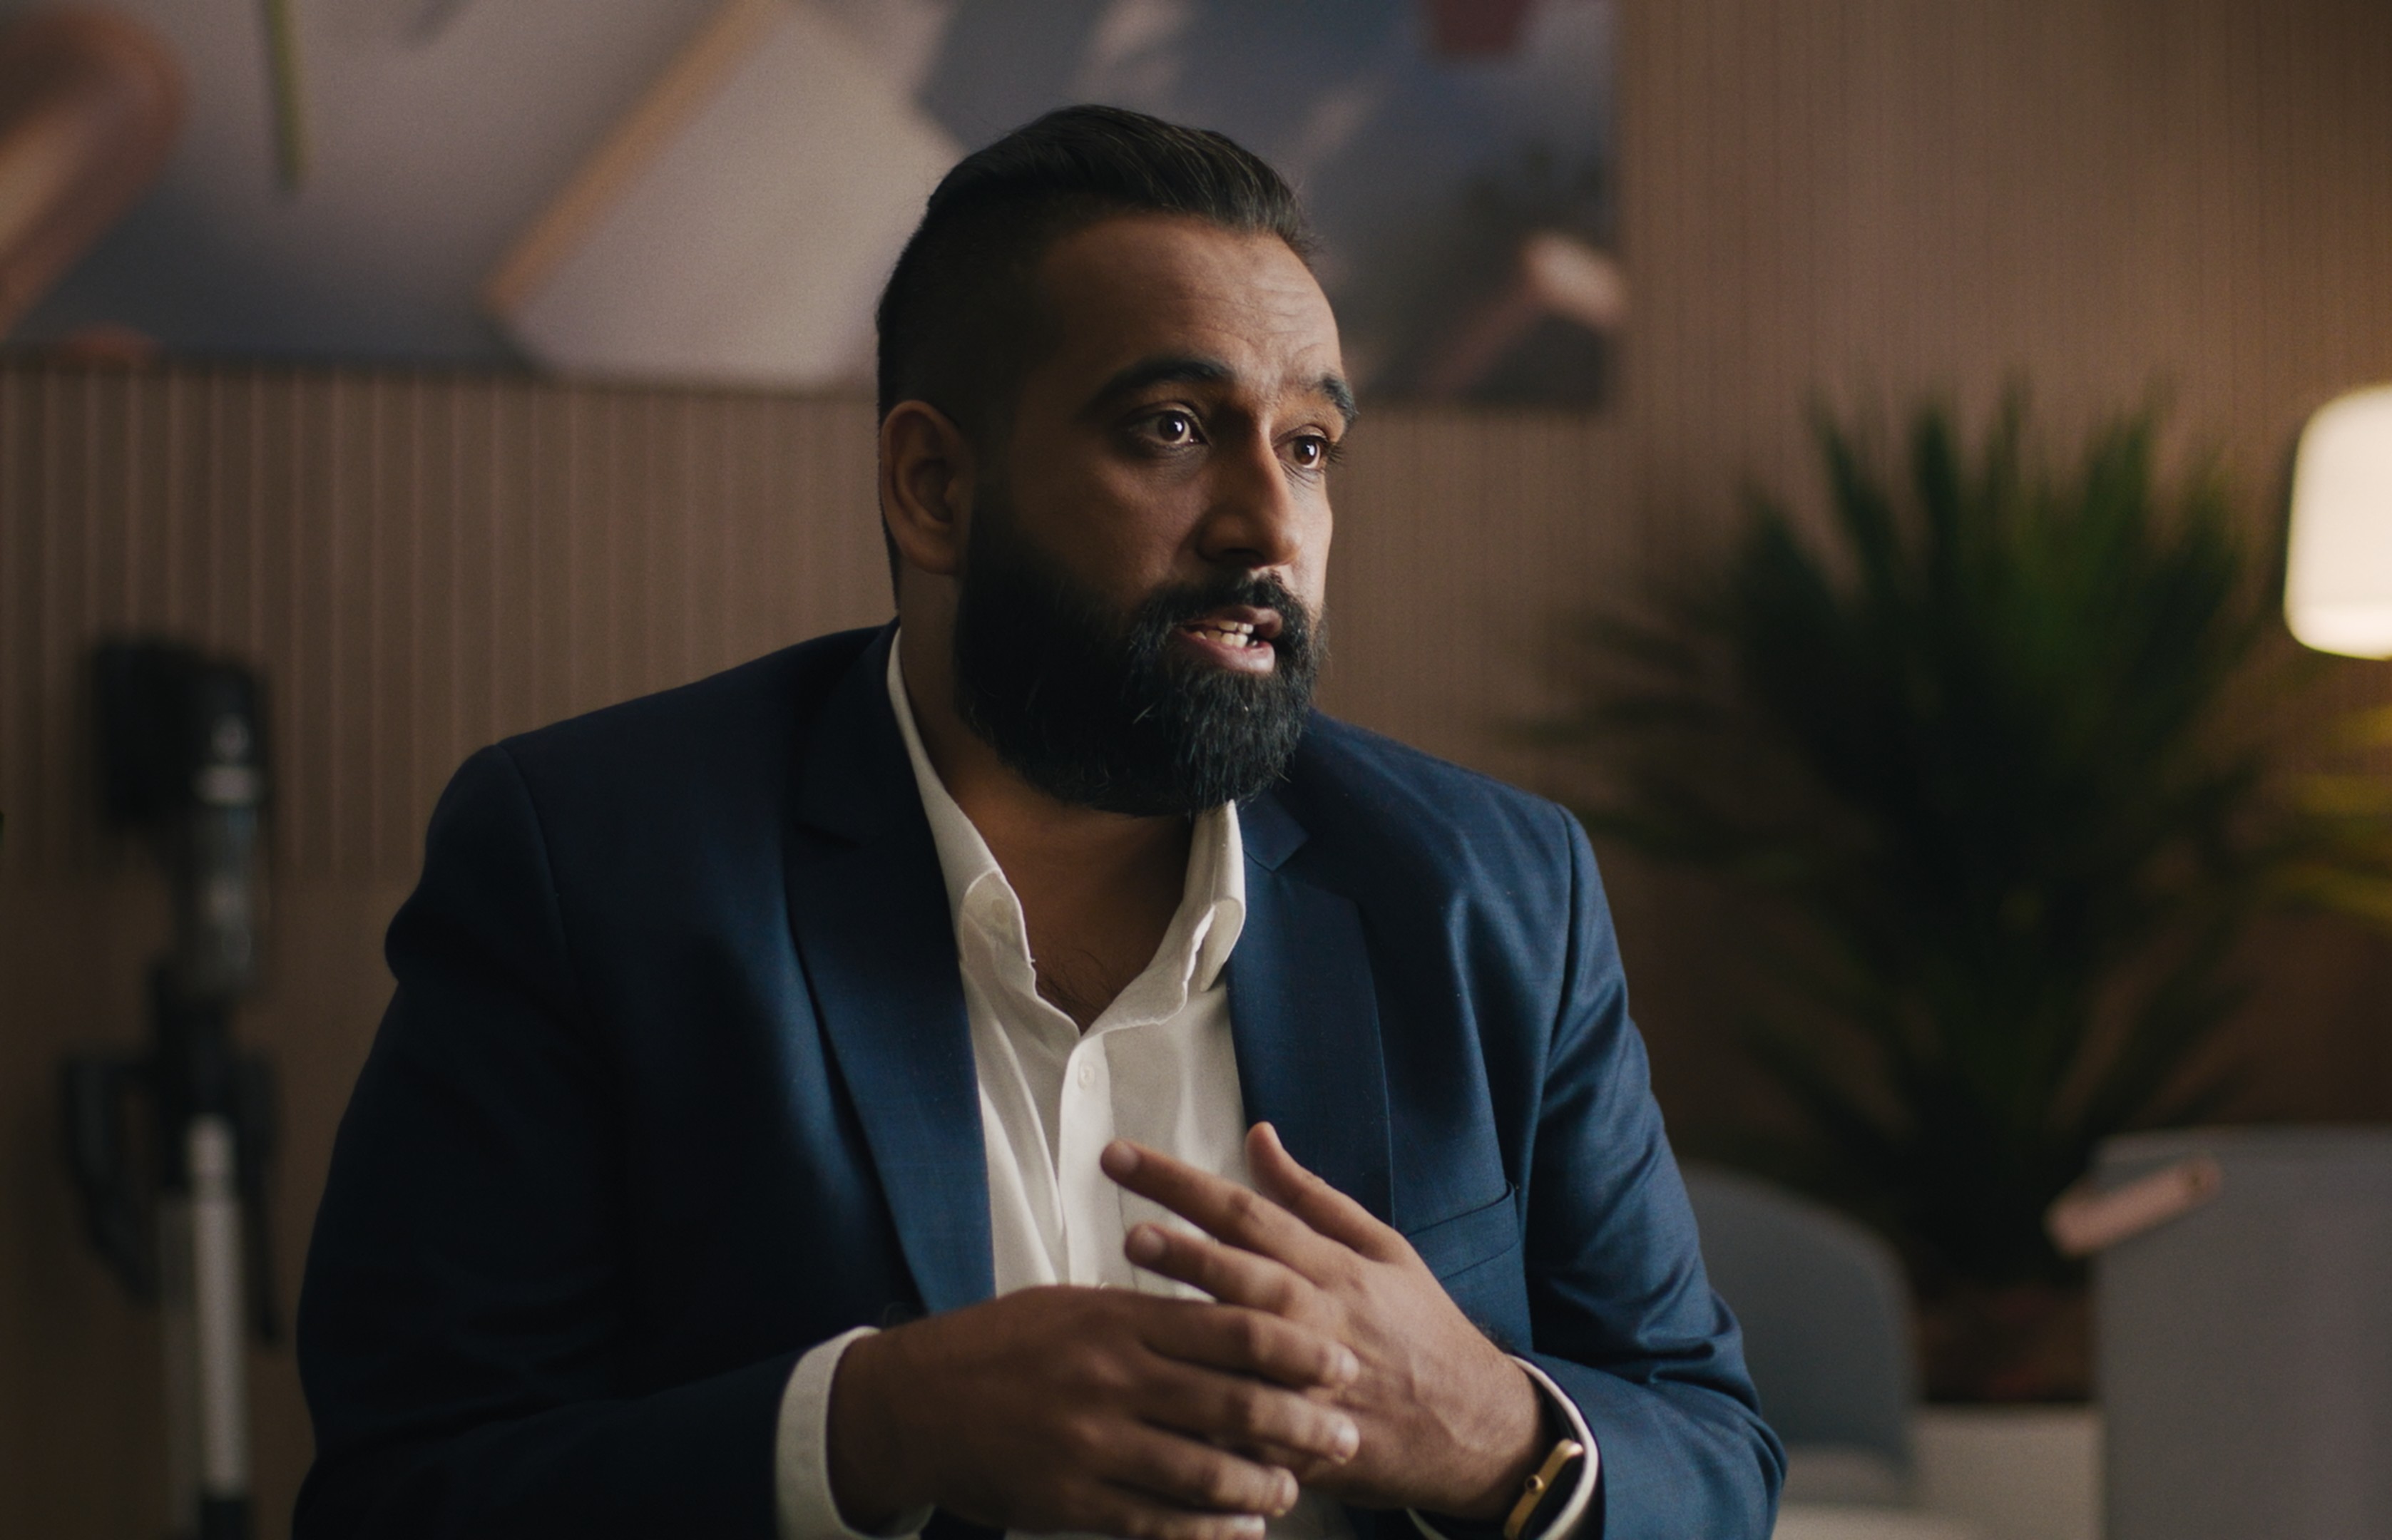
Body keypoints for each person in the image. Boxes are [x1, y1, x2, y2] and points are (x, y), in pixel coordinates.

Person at [295, 106, 1779, 1540]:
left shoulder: (1495, 894)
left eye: (1311, 446)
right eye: (1174, 428)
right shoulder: (596, 870)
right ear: (934, 486)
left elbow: (1714, 1456)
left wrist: (1490, 1432)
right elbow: (402, 1492)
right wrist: (873, 1430)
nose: (1270, 525)